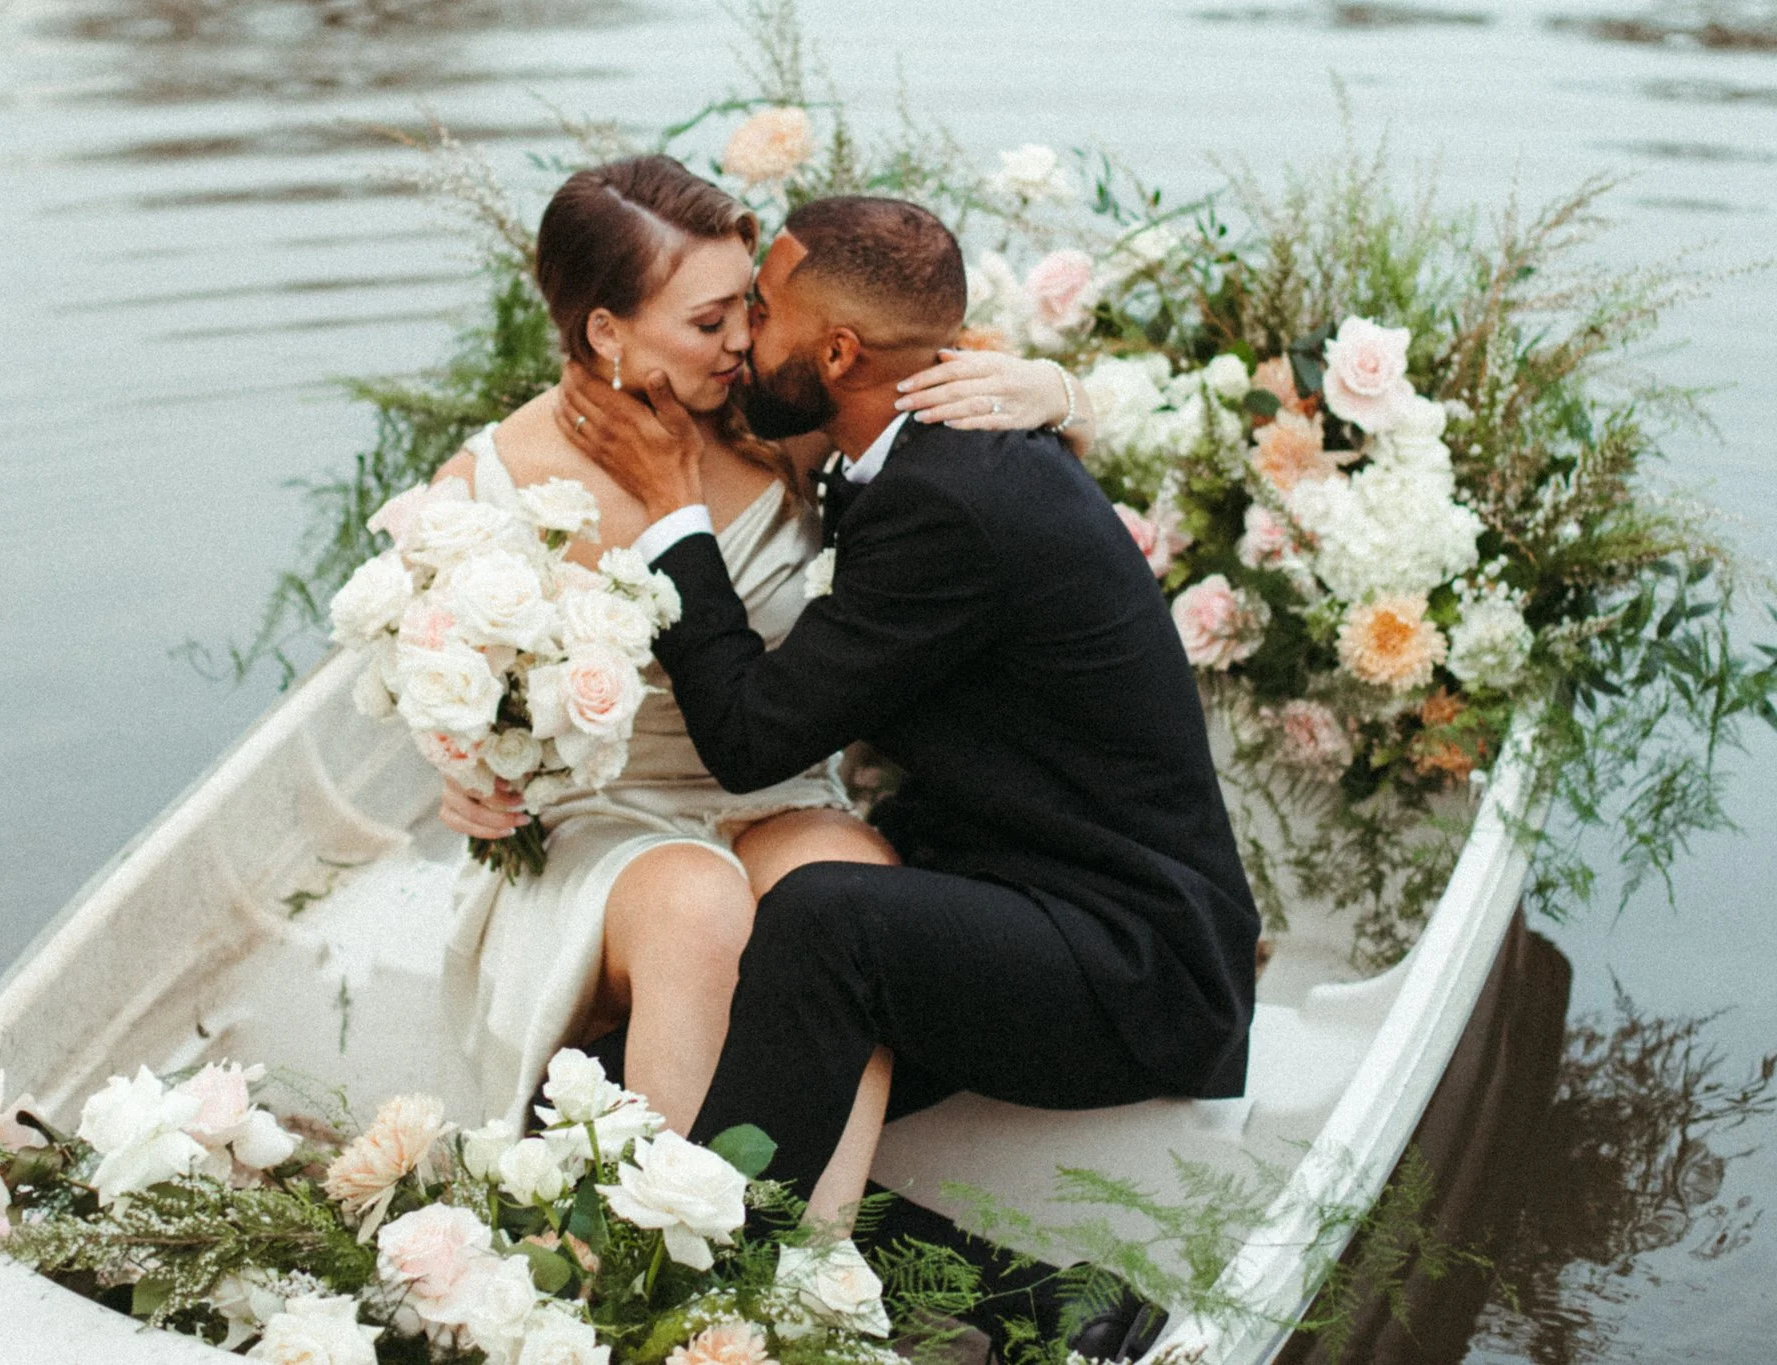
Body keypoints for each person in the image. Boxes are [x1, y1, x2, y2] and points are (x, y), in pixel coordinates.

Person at [553, 195, 1261, 1299]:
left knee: (825, 915)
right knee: (612, 1075)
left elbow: (748, 737)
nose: (742, 334)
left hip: (1134, 967)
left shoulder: (950, 500)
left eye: (761, 308)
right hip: (1012, 896)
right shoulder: (920, 444)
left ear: (837, 353)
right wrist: (1055, 391)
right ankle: (1018, 1296)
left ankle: (695, 1297)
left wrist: (670, 512)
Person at [430, 157, 1087, 1223]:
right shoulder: (487, 488)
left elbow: (944, 460)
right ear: (605, 332)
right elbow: (437, 676)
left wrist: (1059, 393)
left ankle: (801, 1274)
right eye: (706, 321)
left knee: (850, 887)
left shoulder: (774, 431)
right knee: (697, 905)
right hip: (605, 821)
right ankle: (663, 1257)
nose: (743, 340)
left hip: (776, 787)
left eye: (746, 304)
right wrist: (459, 771)